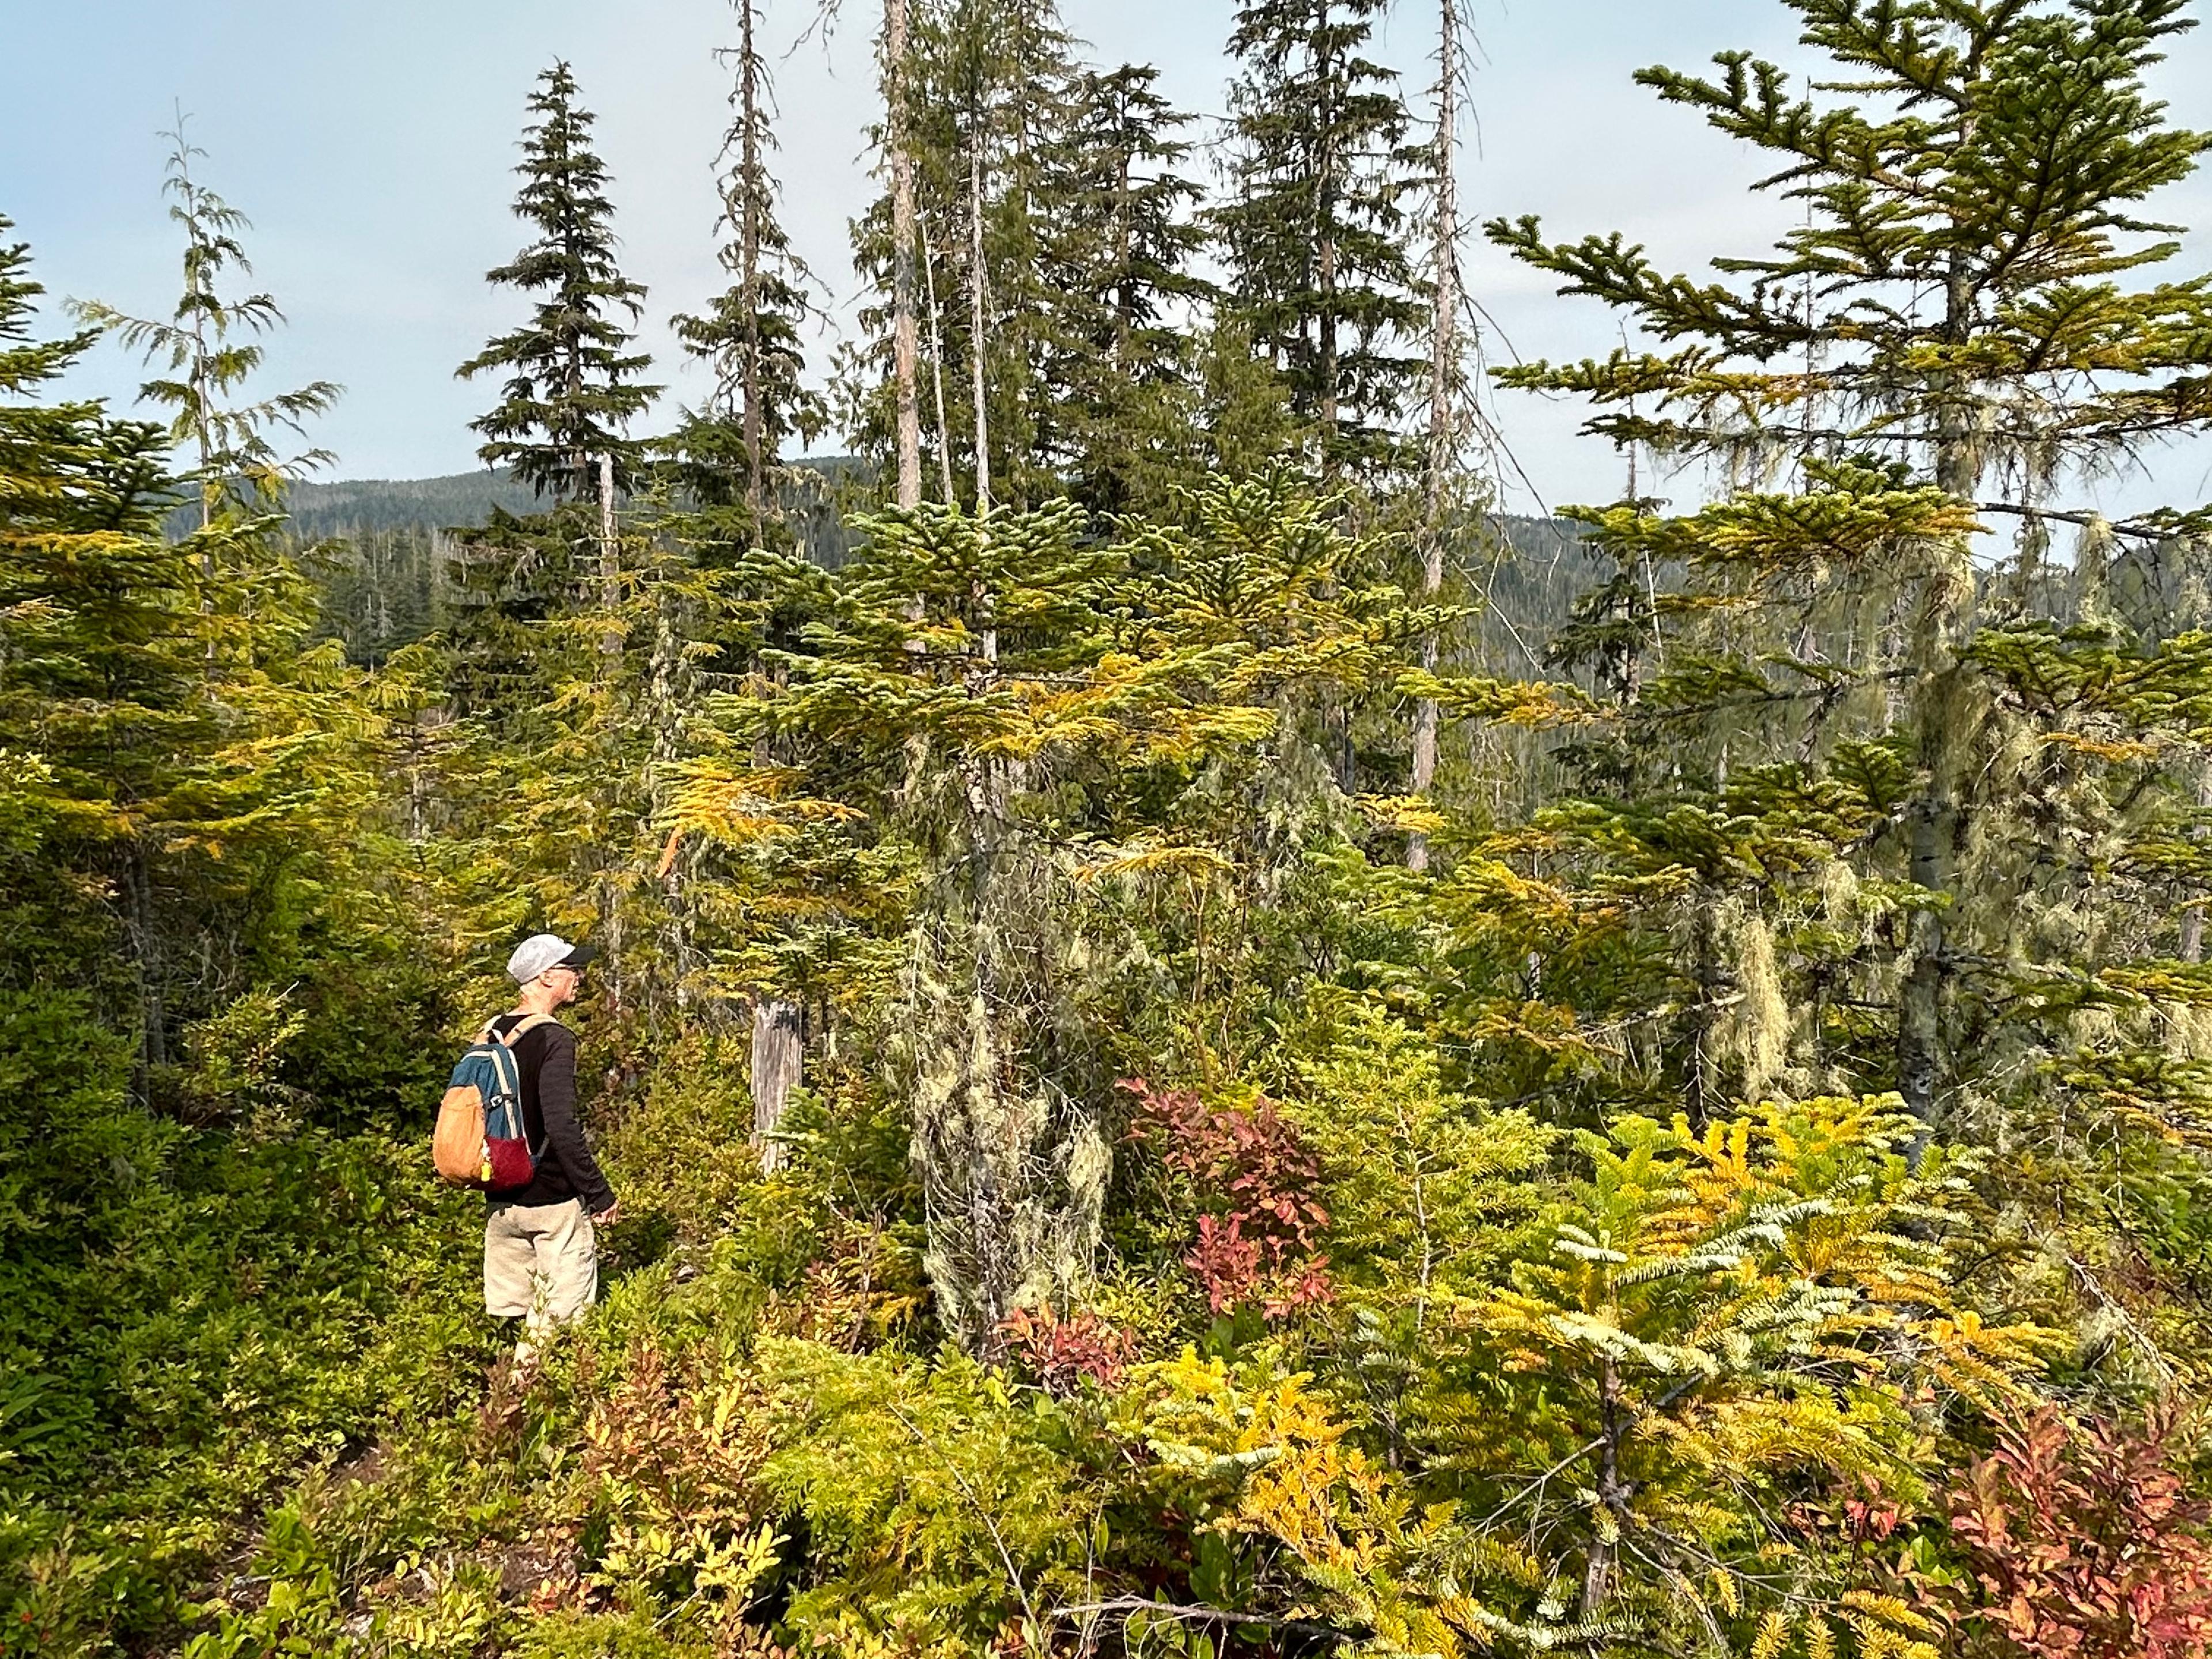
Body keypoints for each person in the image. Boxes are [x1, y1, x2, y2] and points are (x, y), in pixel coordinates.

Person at [482, 932, 619, 1356]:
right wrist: (598, 1195)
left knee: (525, 1320)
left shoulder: (489, 1034)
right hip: (552, 1204)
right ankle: (519, 1410)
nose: (580, 977)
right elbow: (562, 1125)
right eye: (571, 969)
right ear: (545, 978)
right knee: (557, 1326)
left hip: (500, 1198)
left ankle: (502, 1397)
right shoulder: (555, 1039)